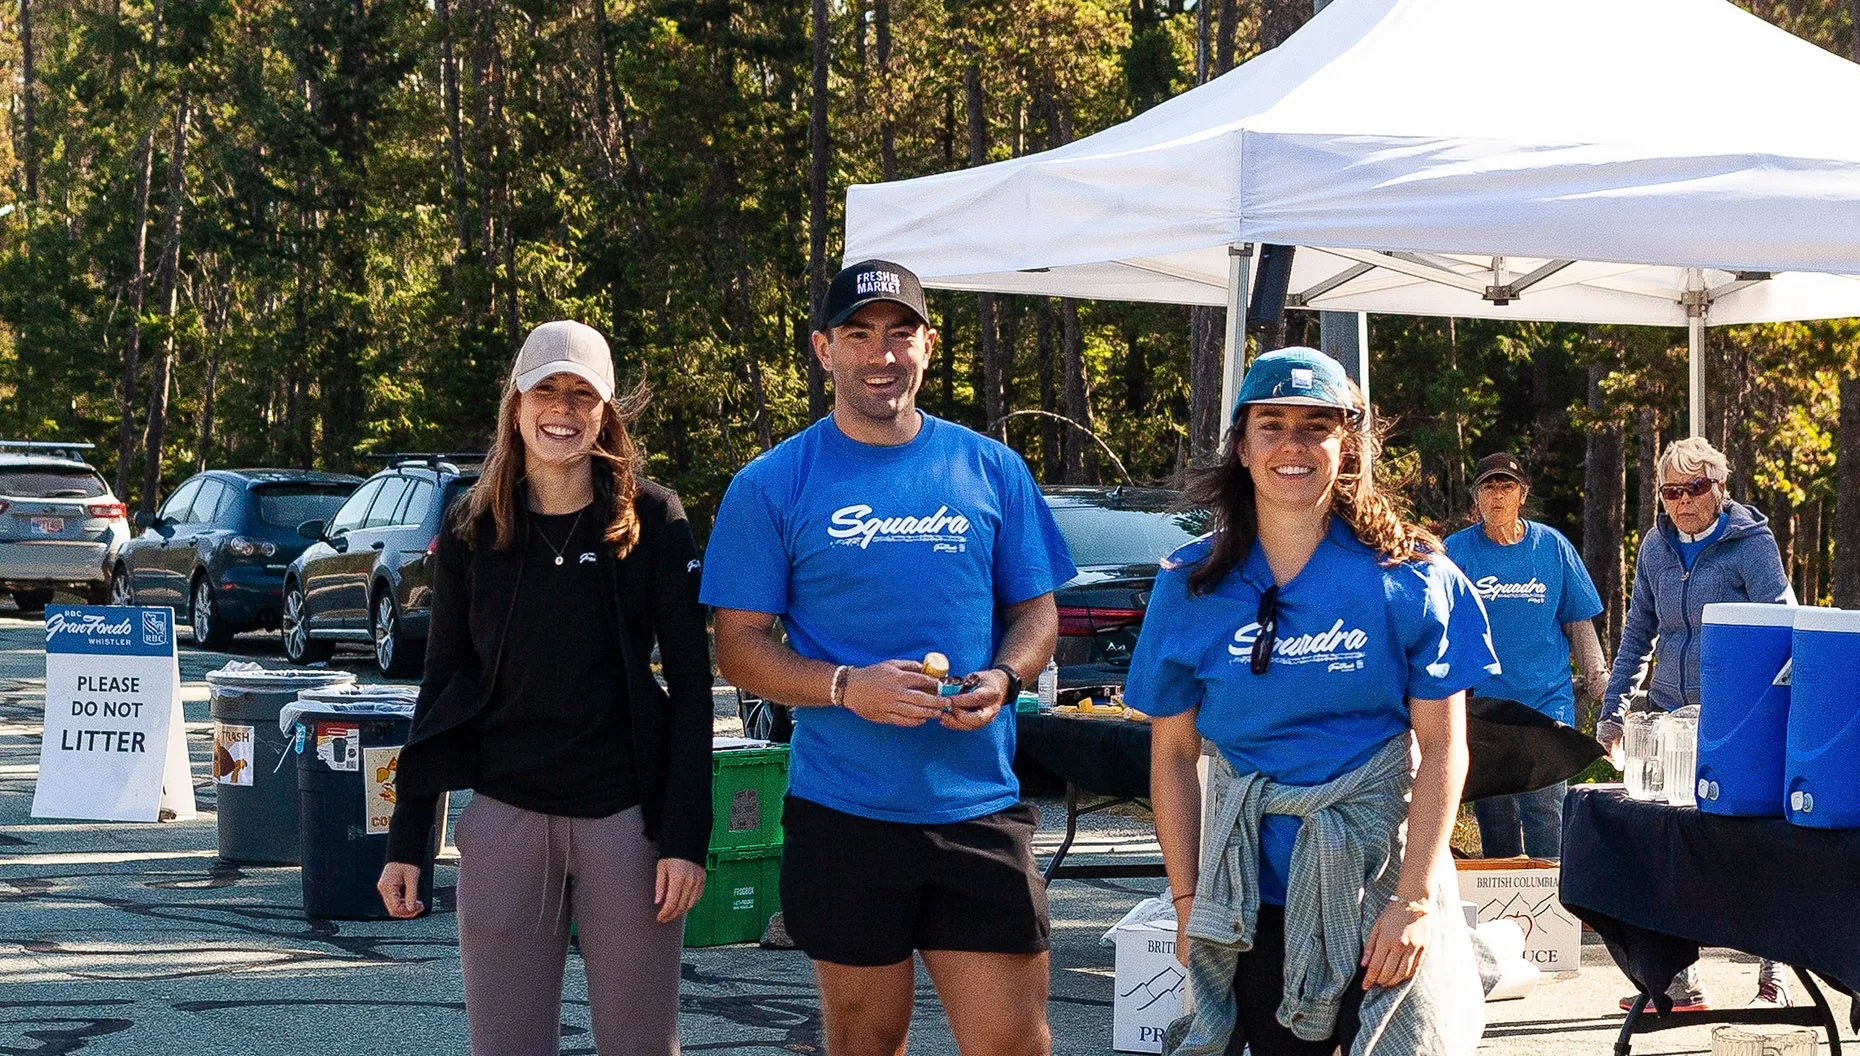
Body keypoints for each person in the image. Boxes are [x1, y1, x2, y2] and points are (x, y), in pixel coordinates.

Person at [702, 259, 1077, 1056]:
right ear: (823, 349)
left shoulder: (990, 468)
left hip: (976, 803)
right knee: (865, 1042)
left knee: (1014, 1043)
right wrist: (845, 686)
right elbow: (738, 647)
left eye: (901, 334)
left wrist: (1005, 677)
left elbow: (1036, 614)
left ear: (928, 345)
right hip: (845, 811)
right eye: (859, 335)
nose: (882, 354)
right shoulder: (772, 484)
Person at [1131, 348, 1499, 1056]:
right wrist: (1187, 902)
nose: (1292, 445)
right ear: (1242, 446)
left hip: (1380, 885)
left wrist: (1415, 901)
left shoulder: (1413, 575)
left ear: (1347, 444)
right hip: (1246, 896)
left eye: (1316, 426)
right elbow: (1173, 756)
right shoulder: (1190, 582)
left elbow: (1444, 749)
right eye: (1271, 425)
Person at [377, 320, 714, 1056]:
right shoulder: (471, 525)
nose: (562, 408)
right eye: (546, 390)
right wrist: (409, 837)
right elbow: (442, 683)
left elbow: (692, 686)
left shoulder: (654, 519)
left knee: (641, 1047)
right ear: (517, 403)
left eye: (582, 394)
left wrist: (686, 838)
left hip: (627, 823)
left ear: (606, 411)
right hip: (505, 818)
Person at [1597, 435, 1793, 1012]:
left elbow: (1782, 631)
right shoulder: (1655, 547)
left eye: (1695, 488)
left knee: (1748, 846)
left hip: (1734, 721)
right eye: (1671, 492)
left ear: (1719, 488)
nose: (1682, 501)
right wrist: (1613, 712)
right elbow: (1638, 634)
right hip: (1667, 718)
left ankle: (1774, 974)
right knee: (1669, 848)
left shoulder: (1751, 543)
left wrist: (1756, 713)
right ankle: (1680, 981)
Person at [1444, 452, 1607, 860]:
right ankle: (1502, 895)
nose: (1497, 496)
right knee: (1495, 815)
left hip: (1545, 703)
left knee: (1545, 809)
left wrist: (1598, 679)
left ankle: (1553, 895)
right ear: (1476, 497)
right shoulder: (1456, 552)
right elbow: (1437, 626)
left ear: (1522, 494)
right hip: (1485, 706)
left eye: (1507, 487)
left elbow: (1578, 620)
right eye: (1488, 487)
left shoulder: (1552, 546)